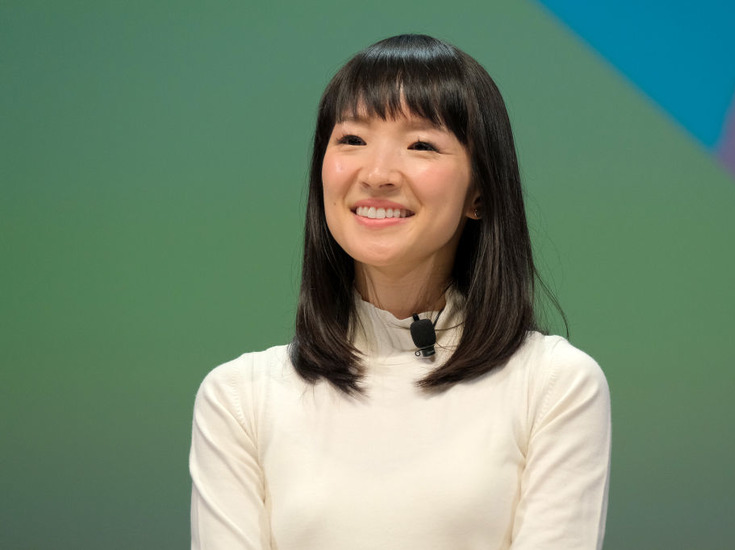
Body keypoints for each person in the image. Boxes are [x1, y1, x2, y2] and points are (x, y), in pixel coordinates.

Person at [189, 34, 611, 550]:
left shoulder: (554, 385)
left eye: (421, 145)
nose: (378, 174)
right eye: (351, 140)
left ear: (480, 192)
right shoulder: (239, 399)